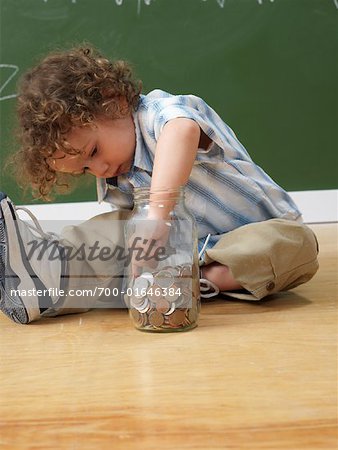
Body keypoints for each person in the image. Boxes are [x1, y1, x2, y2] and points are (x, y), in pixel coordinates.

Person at [0, 45, 319, 324]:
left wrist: (158, 213)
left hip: (256, 235)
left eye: (94, 151)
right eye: (85, 169)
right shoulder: (115, 176)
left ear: (114, 102)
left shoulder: (156, 113)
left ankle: (192, 281)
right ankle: (49, 279)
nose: (99, 169)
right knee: (112, 230)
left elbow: (182, 131)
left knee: (295, 245)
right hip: (179, 257)